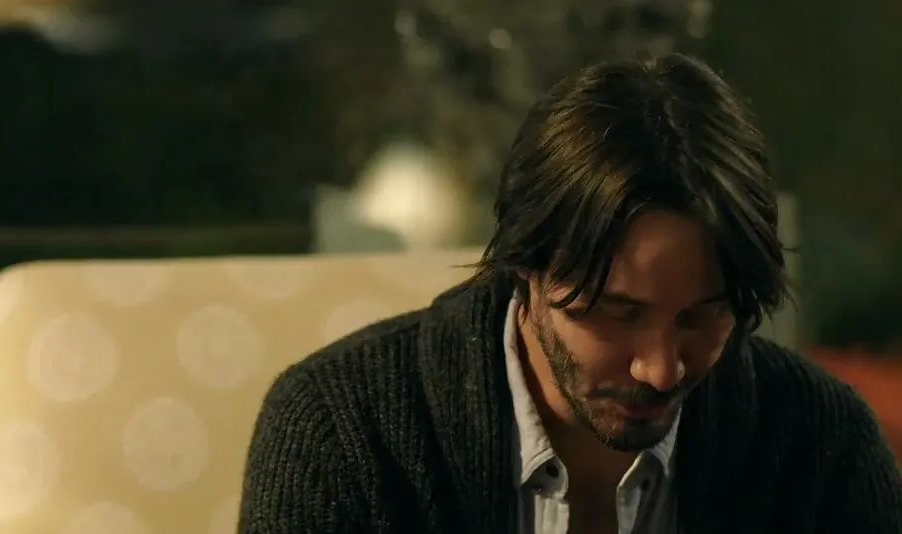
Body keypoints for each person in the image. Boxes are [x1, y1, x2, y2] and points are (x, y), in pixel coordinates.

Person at [237, 53, 902, 533]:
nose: (660, 369)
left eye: (702, 318)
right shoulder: (345, 431)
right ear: (525, 267)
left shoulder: (820, 443)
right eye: (618, 312)